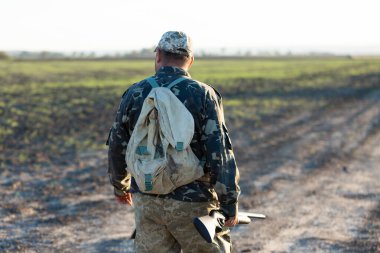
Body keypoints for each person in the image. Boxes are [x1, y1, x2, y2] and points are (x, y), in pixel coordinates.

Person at [107, 31, 240, 253]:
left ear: (158, 55)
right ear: (191, 60)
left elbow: (117, 144)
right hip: (194, 204)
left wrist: (120, 187)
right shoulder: (203, 94)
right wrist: (229, 203)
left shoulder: (135, 93)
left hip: (147, 200)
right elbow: (219, 153)